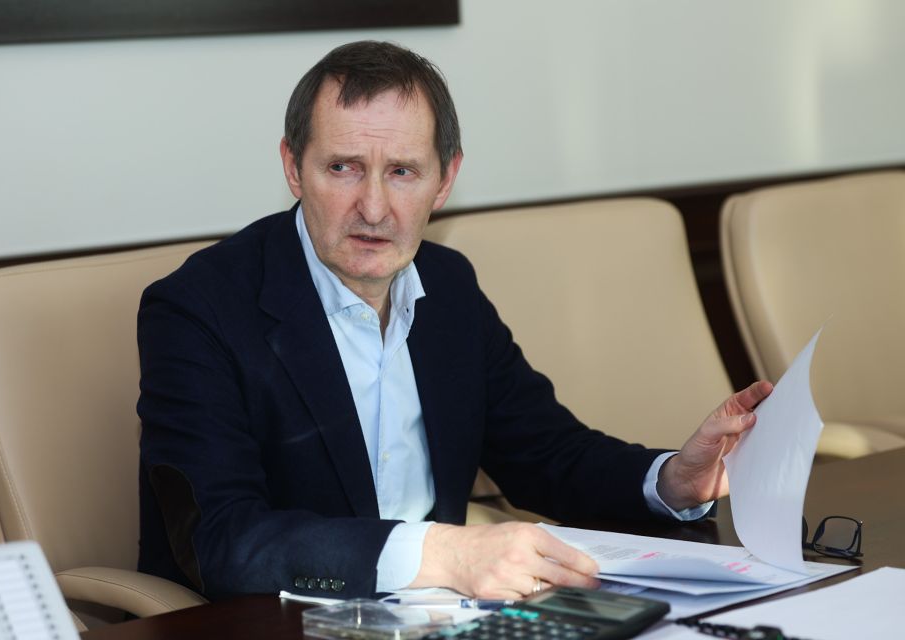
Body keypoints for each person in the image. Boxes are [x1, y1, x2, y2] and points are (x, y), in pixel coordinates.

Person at [136, 40, 772, 601]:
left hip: (440, 616)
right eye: (343, 167)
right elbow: (224, 541)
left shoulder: (447, 286)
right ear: (292, 166)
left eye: (402, 172)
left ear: (445, 181)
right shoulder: (198, 309)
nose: (373, 208)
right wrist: (441, 553)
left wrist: (670, 480)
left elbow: (545, 453)